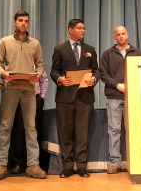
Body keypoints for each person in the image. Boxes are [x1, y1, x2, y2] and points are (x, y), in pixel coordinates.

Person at [0, 10, 46, 180]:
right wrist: (3, 74)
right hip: (10, 88)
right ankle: (1, 165)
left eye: (26, 21)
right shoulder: (5, 42)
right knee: (5, 127)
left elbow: (40, 65)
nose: (24, 23)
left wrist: (38, 74)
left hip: (29, 90)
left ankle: (33, 165)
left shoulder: (35, 44)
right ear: (15, 22)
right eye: (20, 20)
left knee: (31, 128)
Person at [50, 19, 100, 178]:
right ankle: (67, 167)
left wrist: (94, 79)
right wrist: (60, 79)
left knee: (82, 133)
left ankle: (82, 167)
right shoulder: (60, 49)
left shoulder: (90, 49)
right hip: (65, 98)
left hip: (85, 97)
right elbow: (54, 71)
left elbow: (96, 71)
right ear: (70, 30)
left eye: (84, 28)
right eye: (79, 28)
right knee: (66, 133)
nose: (82, 31)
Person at [100, 26, 141, 174]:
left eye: (123, 33)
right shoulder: (107, 53)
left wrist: (131, 85)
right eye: (118, 34)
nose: (121, 36)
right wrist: (117, 85)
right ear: (114, 37)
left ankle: (136, 160)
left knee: (133, 129)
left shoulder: (137, 52)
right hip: (114, 96)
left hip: (133, 96)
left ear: (128, 34)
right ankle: (114, 162)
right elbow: (103, 74)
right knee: (114, 130)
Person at [8, 71, 49, 174]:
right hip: (18, 98)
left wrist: (42, 97)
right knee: (18, 133)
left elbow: (44, 80)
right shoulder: (17, 65)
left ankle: (33, 163)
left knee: (34, 131)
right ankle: (18, 163)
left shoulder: (38, 66)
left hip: (35, 99)